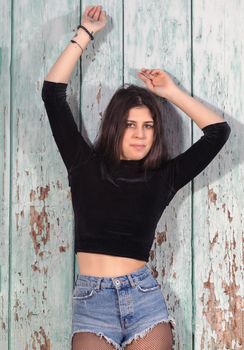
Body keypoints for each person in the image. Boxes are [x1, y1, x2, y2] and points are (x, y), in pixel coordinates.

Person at [41, 5, 231, 350]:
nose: (141, 134)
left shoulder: (164, 177)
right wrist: (84, 34)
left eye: (148, 125)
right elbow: (52, 94)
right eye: (131, 124)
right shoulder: (84, 164)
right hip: (92, 302)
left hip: (144, 300)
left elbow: (218, 132)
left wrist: (171, 93)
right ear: (115, 126)